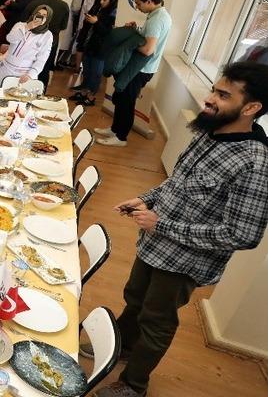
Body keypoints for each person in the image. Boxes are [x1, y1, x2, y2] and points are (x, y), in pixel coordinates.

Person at [91, 62, 268, 397]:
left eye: (222, 95)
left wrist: (163, 224)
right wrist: (144, 199)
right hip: (155, 244)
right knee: (135, 298)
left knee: (156, 321)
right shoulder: (209, 131)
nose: (209, 98)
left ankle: (133, 385)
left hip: (183, 262)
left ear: (251, 108)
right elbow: (177, 184)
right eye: (214, 89)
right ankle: (123, 345)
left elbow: (242, 234)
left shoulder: (255, 163)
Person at [96, 0, 171, 147]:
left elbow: (147, 49)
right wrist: (136, 29)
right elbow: (148, 38)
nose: (137, 7)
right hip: (140, 68)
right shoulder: (159, 15)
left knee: (126, 102)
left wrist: (129, 42)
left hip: (140, 70)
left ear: (149, 1)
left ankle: (121, 137)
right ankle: (115, 129)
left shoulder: (156, 20)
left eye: (138, 3)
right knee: (122, 98)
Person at [20, 0, 70, 88]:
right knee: (44, 68)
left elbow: (24, 22)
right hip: (52, 41)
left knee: (26, 67)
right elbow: (63, 26)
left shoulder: (35, 4)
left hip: (30, 40)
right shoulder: (64, 6)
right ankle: (40, 93)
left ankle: (22, 90)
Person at [71, 0, 117, 106]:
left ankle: (91, 97)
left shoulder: (113, 12)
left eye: (104, 0)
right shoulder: (97, 7)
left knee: (96, 73)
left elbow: (107, 31)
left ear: (111, 0)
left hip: (101, 47)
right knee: (86, 70)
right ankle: (83, 92)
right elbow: (87, 22)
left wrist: (96, 22)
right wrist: (88, 19)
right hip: (89, 43)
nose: (101, 2)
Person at [0, 4, 54, 87]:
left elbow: (42, 59)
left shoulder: (47, 36)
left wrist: (30, 75)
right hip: (5, 68)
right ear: (34, 14)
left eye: (44, 16)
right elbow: (10, 38)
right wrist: (27, 27)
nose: (40, 17)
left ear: (48, 19)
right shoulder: (20, 25)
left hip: (24, 74)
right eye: (38, 14)